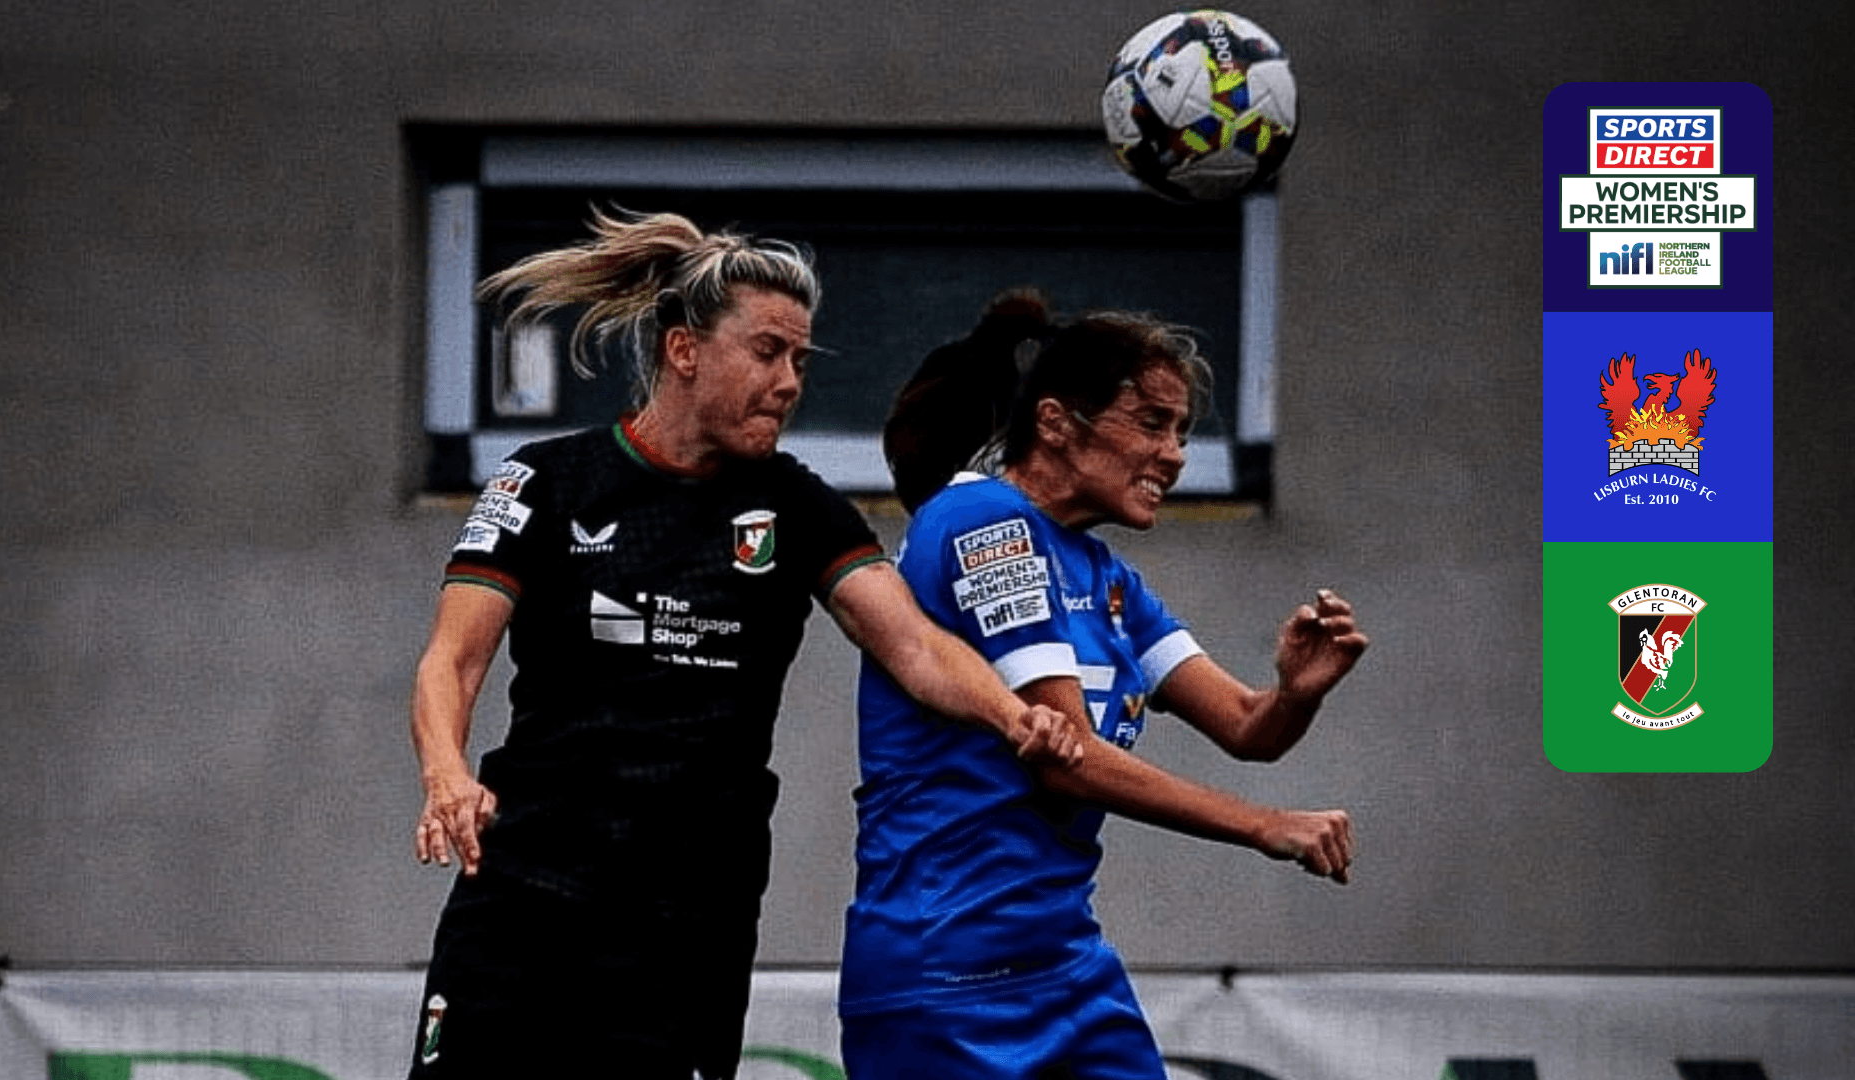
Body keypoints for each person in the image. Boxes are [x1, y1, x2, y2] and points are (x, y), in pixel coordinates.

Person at [405, 213, 1080, 1080]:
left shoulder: (797, 506)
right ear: (685, 351)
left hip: (687, 920)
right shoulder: (545, 480)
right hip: (526, 894)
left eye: (800, 359)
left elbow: (913, 645)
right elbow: (453, 659)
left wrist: (1016, 717)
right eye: (767, 353)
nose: (789, 382)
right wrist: (447, 774)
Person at [840, 291, 1369, 1080]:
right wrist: (1265, 826)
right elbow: (1065, 757)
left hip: (1064, 967)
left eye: (1181, 432)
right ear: (1055, 423)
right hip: (945, 973)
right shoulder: (982, 519)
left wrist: (1296, 693)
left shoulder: (1108, 578)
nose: (1175, 454)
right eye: (1152, 423)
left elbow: (1247, 726)